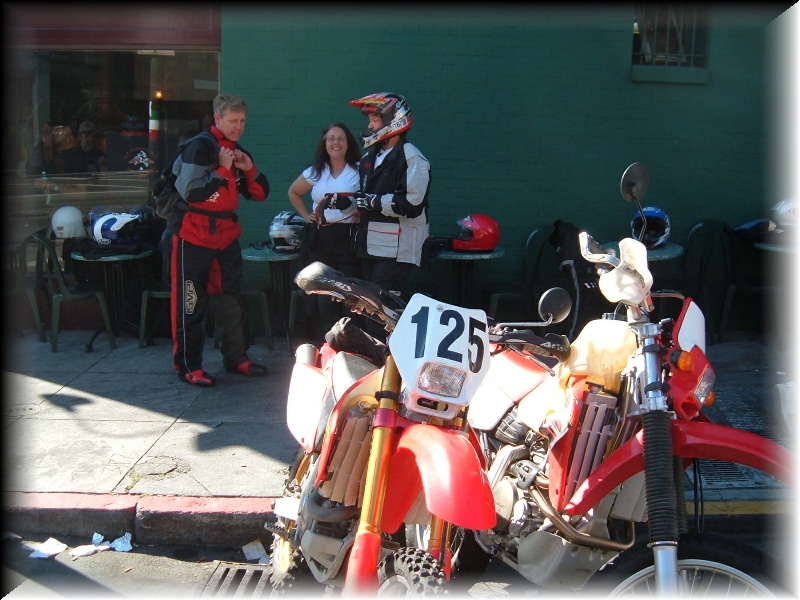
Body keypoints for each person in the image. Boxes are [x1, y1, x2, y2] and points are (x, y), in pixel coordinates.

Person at [170, 93, 270, 387]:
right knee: (190, 303)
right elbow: (191, 192)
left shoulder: (236, 150)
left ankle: (236, 358)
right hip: (193, 234)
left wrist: (247, 168)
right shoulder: (200, 146)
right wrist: (223, 169)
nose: (238, 126)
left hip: (225, 237)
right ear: (217, 118)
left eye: (242, 121)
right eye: (232, 121)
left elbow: (260, 194)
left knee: (232, 301)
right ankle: (188, 366)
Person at [334, 92, 431, 338]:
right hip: (370, 247)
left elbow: (411, 203)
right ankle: (376, 366)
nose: (369, 126)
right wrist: (347, 203)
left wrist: (373, 202)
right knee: (368, 311)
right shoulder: (370, 159)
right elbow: (365, 201)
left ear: (393, 120)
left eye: (375, 120)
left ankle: (390, 368)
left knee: (385, 315)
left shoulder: (410, 156)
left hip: (397, 250)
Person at [287, 122, 361, 339]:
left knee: (351, 290)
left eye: (340, 138)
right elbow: (294, 192)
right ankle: (327, 340)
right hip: (322, 237)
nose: (335, 142)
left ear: (348, 143)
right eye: (331, 138)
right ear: (324, 143)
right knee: (323, 291)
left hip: (350, 237)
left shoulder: (359, 170)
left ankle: (352, 340)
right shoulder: (316, 171)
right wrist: (305, 215)